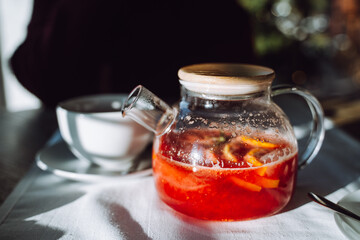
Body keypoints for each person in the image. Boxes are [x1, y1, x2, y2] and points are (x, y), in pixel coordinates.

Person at [11, 0, 254, 107]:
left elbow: (241, 76)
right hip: (73, 136)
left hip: (182, 133)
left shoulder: (213, 13)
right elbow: (37, 71)